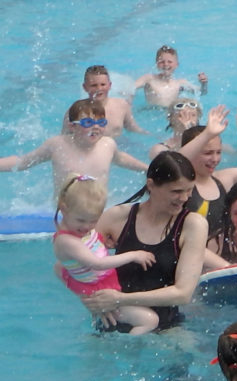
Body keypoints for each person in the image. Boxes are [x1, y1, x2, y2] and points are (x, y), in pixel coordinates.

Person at [88, 151, 209, 332]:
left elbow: (183, 294)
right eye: (176, 191)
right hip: (111, 324)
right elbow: (73, 262)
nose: (184, 198)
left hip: (167, 330)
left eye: (189, 190)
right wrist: (91, 301)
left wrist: (119, 299)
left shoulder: (192, 225)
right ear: (151, 185)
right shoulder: (117, 218)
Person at [53, 175, 161, 334]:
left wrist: (104, 246)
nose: (87, 227)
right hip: (101, 293)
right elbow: (97, 263)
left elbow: (61, 268)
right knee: (150, 320)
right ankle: (130, 348)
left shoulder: (79, 232)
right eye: (81, 221)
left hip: (106, 285)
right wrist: (134, 255)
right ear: (63, 209)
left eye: (93, 221)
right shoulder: (66, 241)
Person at [0, 97, 148, 202]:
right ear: (72, 126)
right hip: (65, 213)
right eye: (88, 122)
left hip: (96, 212)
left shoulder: (107, 145)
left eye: (101, 122)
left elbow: (121, 159)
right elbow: (24, 161)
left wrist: (147, 168)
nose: (95, 127)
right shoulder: (57, 145)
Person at [131, 45, 207, 109]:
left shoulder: (180, 83)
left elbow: (201, 92)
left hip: (171, 113)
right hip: (151, 112)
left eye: (169, 62)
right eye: (162, 62)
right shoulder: (149, 79)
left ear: (176, 64)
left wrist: (204, 83)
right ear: (157, 64)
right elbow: (130, 87)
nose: (166, 64)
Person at [80, 65, 146, 138]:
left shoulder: (122, 105)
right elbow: (66, 139)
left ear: (109, 85)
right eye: (94, 85)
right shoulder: (78, 110)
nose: (99, 88)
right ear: (85, 87)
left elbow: (133, 128)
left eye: (103, 84)